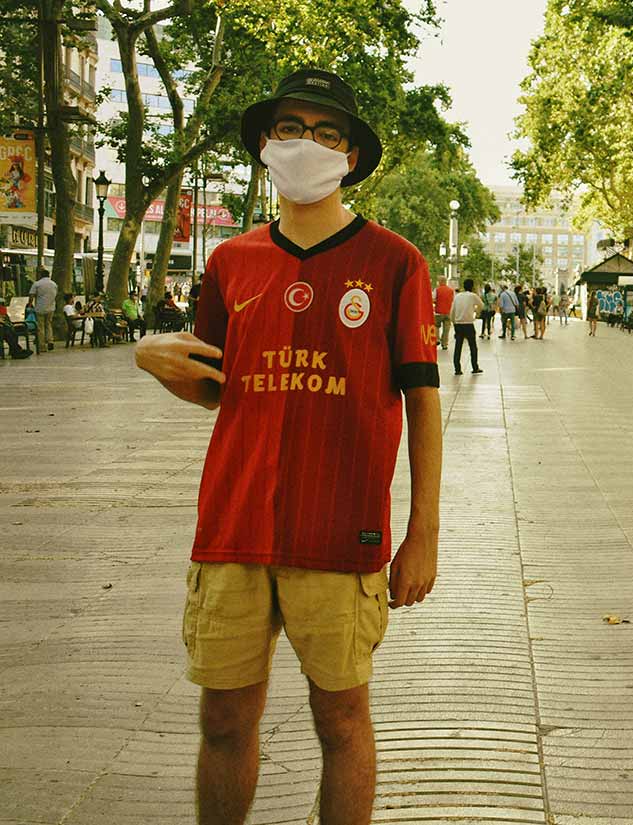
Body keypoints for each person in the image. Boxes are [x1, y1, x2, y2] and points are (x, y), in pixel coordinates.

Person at [132, 68, 442, 825]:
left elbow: (423, 399)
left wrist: (422, 532)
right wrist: (152, 357)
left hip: (342, 529)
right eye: (290, 128)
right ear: (265, 146)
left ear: (352, 156)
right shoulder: (230, 262)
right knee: (224, 719)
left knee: (340, 721)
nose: (306, 145)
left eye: (326, 132)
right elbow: (216, 385)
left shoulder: (393, 261)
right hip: (234, 526)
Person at [450, 278, 485, 375]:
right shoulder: (473, 296)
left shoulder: (457, 296)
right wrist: (476, 312)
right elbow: (482, 305)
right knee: (473, 346)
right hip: (468, 324)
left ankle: (457, 369)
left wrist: (454, 322)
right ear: (472, 286)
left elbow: (452, 311)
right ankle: (475, 367)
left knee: (458, 346)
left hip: (458, 324)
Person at [27, 268, 58, 353]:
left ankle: (42, 346)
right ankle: (50, 341)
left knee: (40, 327)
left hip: (40, 308)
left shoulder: (37, 284)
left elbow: (31, 296)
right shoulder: (54, 284)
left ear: (41, 275)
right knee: (48, 325)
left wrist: (30, 304)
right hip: (51, 308)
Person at [432, 278, 454, 350]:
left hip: (438, 312)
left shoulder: (437, 290)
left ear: (440, 282)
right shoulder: (451, 291)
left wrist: (436, 302)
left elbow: (433, 299)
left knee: (436, 326)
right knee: (446, 329)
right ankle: (444, 344)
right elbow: (452, 300)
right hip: (448, 312)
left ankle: (437, 339)